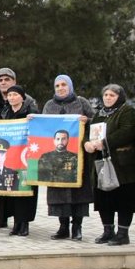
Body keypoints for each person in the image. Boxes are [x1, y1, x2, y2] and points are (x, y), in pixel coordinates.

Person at [84, 84, 135, 245]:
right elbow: (89, 132)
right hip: (101, 164)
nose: (108, 98)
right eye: (106, 95)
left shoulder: (127, 111)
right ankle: (107, 231)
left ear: (119, 97)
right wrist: (87, 143)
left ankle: (123, 233)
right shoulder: (99, 114)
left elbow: (126, 132)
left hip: (122, 165)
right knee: (104, 199)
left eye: (112, 95)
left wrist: (104, 142)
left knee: (123, 199)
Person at [42, 74, 94, 241]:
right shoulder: (49, 105)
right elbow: (43, 127)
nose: (61, 88)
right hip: (56, 158)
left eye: (64, 85)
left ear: (70, 86)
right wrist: (33, 120)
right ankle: (63, 227)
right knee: (59, 193)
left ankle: (77, 226)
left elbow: (97, 121)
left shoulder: (81, 102)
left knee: (78, 193)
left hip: (78, 156)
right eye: (57, 86)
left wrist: (87, 120)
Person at [0, 84, 39, 236]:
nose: (12, 98)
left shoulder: (30, 113)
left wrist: (33, 121)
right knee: (13, 190)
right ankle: (16, 224)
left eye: (15, 95)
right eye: (9, 95)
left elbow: (39, 130)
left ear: (22, 97)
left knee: (26, 191)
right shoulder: (5, 113)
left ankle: (25, 223)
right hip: (11, 157)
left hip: (27, 158)